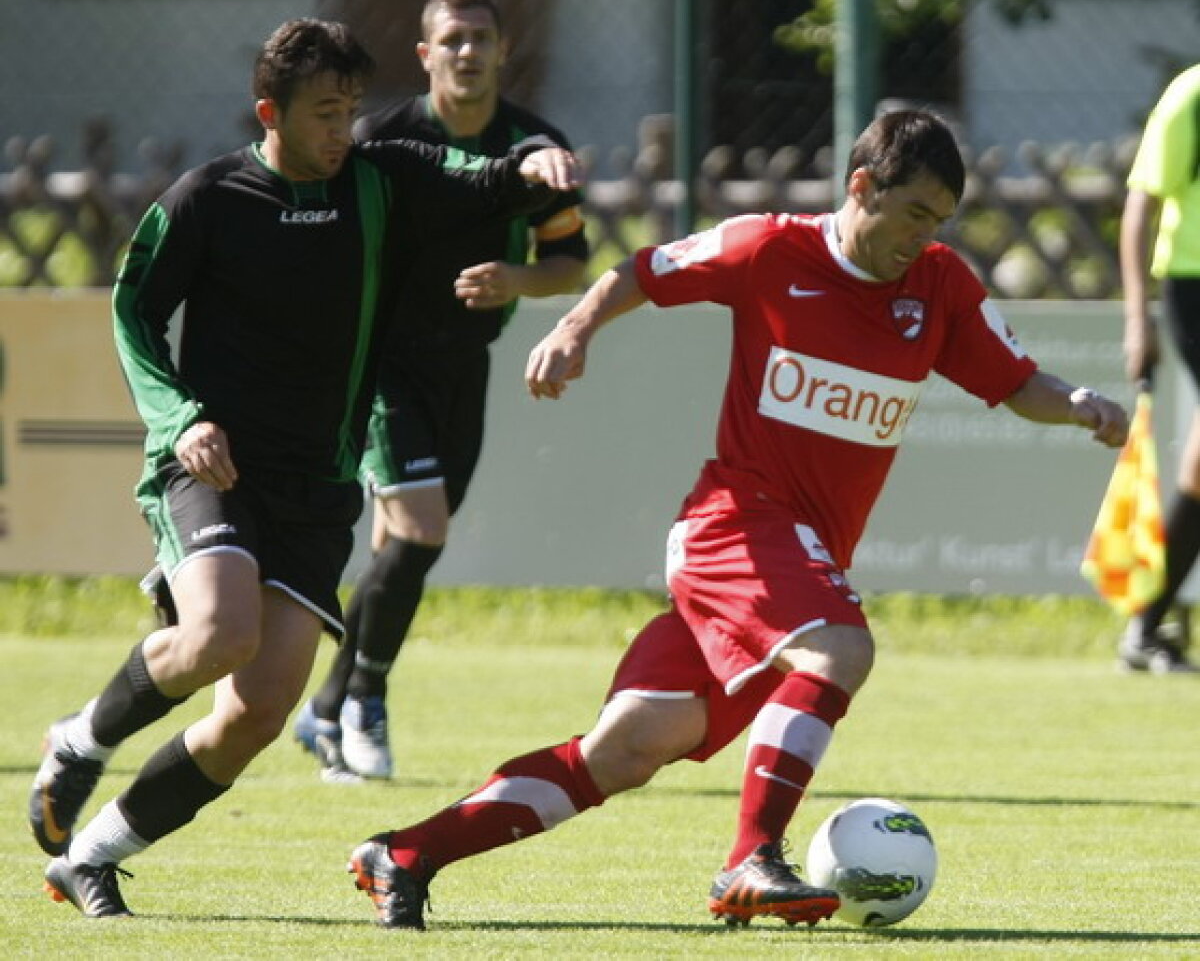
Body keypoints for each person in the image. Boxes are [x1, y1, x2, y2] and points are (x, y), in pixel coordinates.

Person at [344, 109, 1129, 931]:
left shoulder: (937, 286)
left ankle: (405, 853)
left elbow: (1013, 381)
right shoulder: (769, 248)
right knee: (840, 649)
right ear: (862, 187)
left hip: (791, 556)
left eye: (938, 223)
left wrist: (1076, 405)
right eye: (914, 215)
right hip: (734, 523)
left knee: (629, 746)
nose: (923, 238)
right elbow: (642, 270)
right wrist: (575, 329)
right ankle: (752, 858)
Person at [28, 17, 580, 919]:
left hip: (317, 484)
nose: (344, 130)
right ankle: (80, 741)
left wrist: (527, 170)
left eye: (352, 109)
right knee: (218, 636)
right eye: (326, 112)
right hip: (213, 464)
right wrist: (181, 419)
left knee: (258, 711)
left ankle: (92, 855)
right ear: (269, 113)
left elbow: (469, 177)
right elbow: (132, 315)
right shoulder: (207, 198)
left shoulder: (376, 180)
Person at [293, 0, 589, 781]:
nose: (467, 53)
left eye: (480, 40)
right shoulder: (383, 140)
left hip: (466, 363)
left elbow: (571, 263)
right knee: (421, 528)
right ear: (425, 55)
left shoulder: (535, 144)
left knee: (403, 547)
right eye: (451, 40)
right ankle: (364, 704)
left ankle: (324, 707)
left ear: (503, 52)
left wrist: (515, 282)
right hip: (383, 365)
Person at [1117, 63, 1200, 674]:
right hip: (1194, 287)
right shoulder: (1191, 94)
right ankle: (1145, 628)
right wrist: (1137, 320)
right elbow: (1140, 207)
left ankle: (1145, 629)